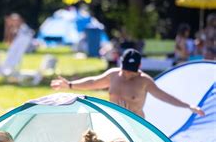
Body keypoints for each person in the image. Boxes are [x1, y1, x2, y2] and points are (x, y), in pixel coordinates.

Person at [50, 48, 205, 118]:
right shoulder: (113, 75)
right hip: (114, 120)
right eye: (125, 69)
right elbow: (93, 82)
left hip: (136, 123)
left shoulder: (144, 81)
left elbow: (164, 96)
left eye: (131, 70)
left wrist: (188, 106)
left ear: (139, 67)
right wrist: (70, 85)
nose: (127, 73)